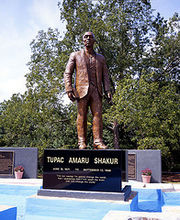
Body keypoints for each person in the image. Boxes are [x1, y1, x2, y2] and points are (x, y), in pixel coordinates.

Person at [64, 32, 112, 149]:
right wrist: (69, 88)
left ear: (94, 40)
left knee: (98, 115)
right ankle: (81, 142)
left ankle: (97, 141)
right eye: (86, 37)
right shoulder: (75, 55)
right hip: (82, 90)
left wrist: (108, 90)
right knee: (82, 115)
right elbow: (67, 73)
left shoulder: (101, 58)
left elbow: (105, 75)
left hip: (97, 90)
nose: (88, 39)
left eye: (90, 37)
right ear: (82, 40)